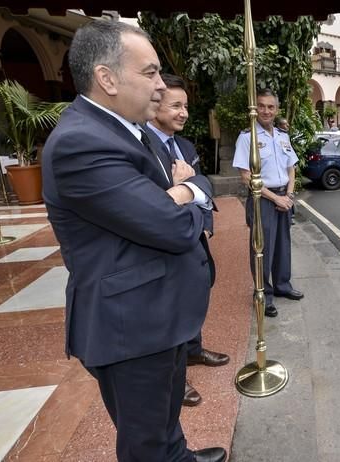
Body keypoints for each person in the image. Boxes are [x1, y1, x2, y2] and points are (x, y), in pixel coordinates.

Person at [41, 21, 226, 462]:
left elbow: (185, 190)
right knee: (144, 442)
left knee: (164, 417)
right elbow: (175, 226)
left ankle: (178, 455)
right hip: (131, 326)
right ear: (106, 78)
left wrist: (184, 191)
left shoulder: (128, 129)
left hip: (157, 314)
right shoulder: (81, 142)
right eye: (150, 73)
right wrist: (189, 193)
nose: (160, 87)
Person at [147, 73, 230, 408]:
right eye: (175, 105)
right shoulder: (142, 147)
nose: (183, 113)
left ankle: (194, 351)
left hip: (196, 239)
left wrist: (206, 224)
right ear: (155, 107)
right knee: (170, 314)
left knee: (195, 297)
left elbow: (202, 185)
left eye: (185, 106)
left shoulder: (186, 146)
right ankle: (174, 381)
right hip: (165, 246)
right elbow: (155, 204)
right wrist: (184, 190)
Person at [233, 89, 303, 318]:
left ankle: (283, 285)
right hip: (263, 200)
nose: (266, 111)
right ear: (255, 109)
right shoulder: (247, 137)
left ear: (277, 110)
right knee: (262, 249)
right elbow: (246, 177)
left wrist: (289, 197)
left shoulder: (282, 136)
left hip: (285, 197)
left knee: (283, 245)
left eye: (270, 107)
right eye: (261, 106)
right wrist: (276, 199)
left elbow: (291, 168)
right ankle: (264, 294)